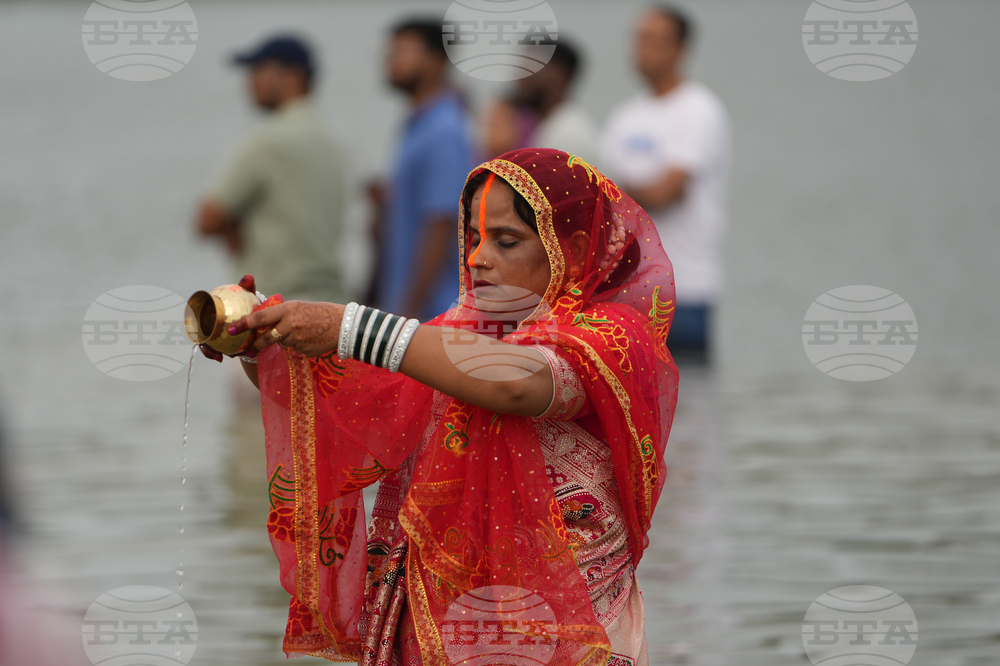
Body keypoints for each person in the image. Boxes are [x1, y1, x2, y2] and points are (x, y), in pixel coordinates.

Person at [211, 148, 679, 665]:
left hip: (576, 632)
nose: (478, 258)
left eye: (505, 241)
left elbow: (516, 384)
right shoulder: (454, 337)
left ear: (571, 246)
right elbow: (349, 406)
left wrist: (349, 326)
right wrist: (263, 346)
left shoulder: (610, 339)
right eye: (474, 239)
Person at [601, 6, 730, 360]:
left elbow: (668, 191)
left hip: (684, 287)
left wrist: (617, 192)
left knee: (688, 405)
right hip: (627, 291)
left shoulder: (698, 109)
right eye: (638, 39)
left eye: (653, 40)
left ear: (680, 49)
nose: (641, 49)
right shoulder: (626, 115)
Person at [196, 35, 352, 304]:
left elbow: (206, 220)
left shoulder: (267, 140)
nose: (249, 83)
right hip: (331, 303)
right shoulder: (334, 141)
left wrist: (231, 226)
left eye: (258, 71)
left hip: (278, 308)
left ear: (291, 77)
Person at [375, 18, 475, 322]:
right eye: (390, 50)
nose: (390, 59)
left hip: (429, 316)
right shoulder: (418, 124)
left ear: (436, 60)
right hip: (411, 311)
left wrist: (409, 311)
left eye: (403, 50)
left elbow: (441, 222)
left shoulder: (444, 129)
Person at [517, 40, 601, 164]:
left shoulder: (569, 136)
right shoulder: (553, 125)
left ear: (559, 75)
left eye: (531, 66)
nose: (520, 76)